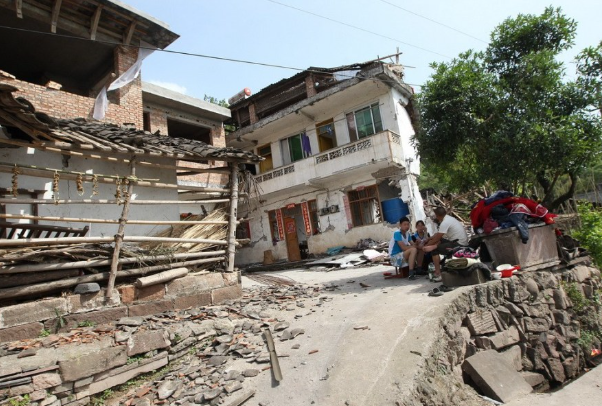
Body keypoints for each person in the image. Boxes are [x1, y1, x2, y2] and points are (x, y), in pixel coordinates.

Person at [423, 207, 469, 282]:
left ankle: (438, 273)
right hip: (458, 241)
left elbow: (437, 238)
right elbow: (437, 235)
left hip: (459, 244)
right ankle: (438, 265)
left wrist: (426, 246)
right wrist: (429, 239)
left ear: (437, 216)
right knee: (436, 242)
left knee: (434, 250)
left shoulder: (445, 223)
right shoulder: (448, 218)